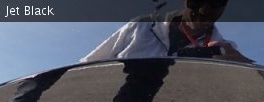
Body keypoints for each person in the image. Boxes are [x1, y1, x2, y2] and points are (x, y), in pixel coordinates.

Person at [81, 0, 251, 63]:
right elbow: (86, 67)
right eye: (196, 0)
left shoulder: (225, 51)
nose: (203, 10)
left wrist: (245, 67)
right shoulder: (141, 26)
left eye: (215, 2)